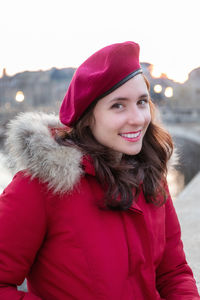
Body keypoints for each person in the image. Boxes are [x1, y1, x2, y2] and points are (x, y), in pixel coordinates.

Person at [0, 41, 199, 300]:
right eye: (118, 105)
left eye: (141, 102)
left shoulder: (152, 177)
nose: (138, 118)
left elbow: (173, 273)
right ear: (88, 117)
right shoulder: (40, 187)